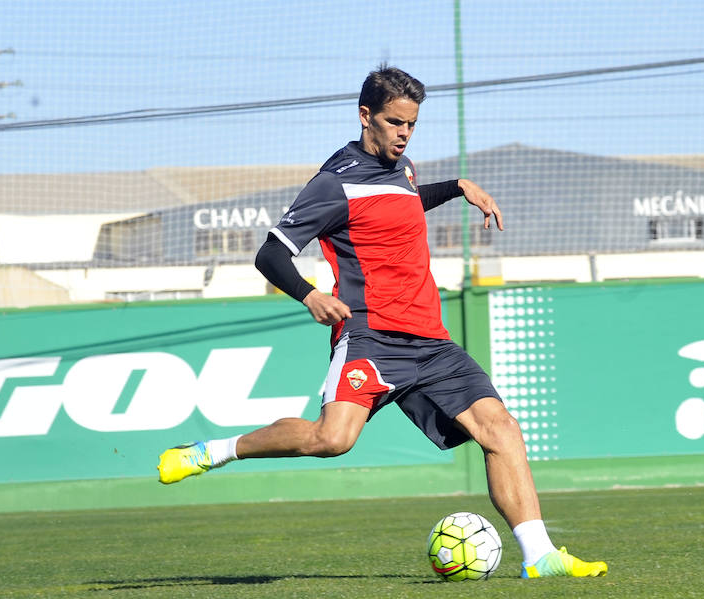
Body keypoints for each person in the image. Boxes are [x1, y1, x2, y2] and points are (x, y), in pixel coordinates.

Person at [157, 65, 607, 580]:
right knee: (332, 440)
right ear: (365, 115)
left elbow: (404, 202)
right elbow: (270, 254)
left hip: (431, 341)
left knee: (501, 429)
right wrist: (309, 295)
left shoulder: (405, 169)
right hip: (372, 336)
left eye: (412, 124)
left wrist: (459, 187)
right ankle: (214, 452)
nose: (404, 134)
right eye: (395, 123)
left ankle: (539, 555)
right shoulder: (333, 183)